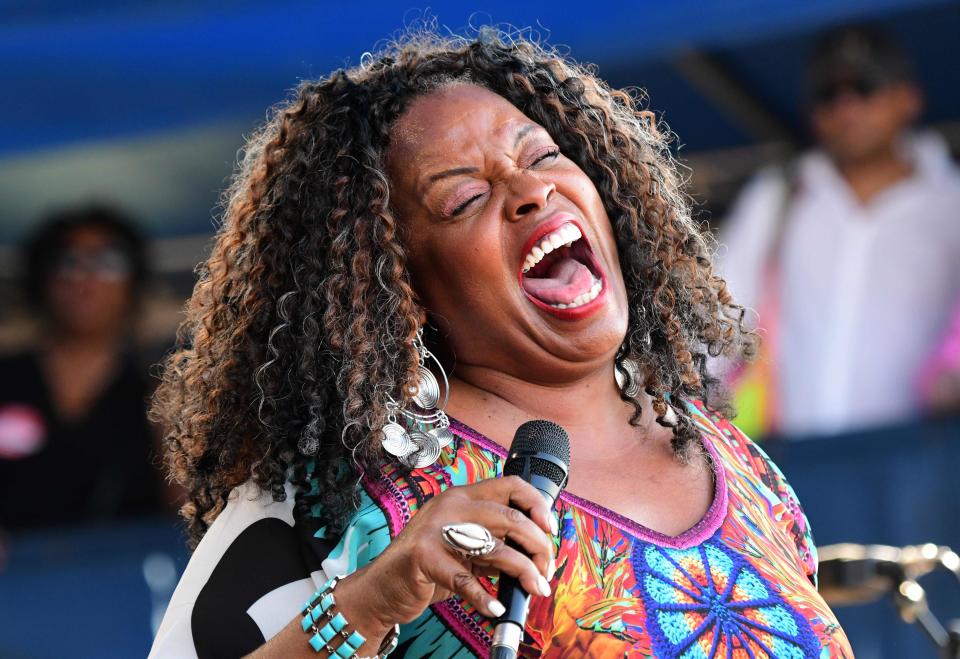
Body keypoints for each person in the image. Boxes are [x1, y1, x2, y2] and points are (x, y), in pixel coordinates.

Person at [150, 32, 852, 658]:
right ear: (401, 285)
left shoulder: (741, 469)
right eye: (463, 200)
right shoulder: (346, 499)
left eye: (543, 154)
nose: (530, 191)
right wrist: (372, 600)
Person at [718, 25, 960, 439]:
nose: (846, 107)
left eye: (865, 87)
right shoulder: (779, 195)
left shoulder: (951, 202)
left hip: (922, 455)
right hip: (794, 459)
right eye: (828, 95)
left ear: (908, 99)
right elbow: (717, 314)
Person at [0, 205, 165, 529]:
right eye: (67, 261)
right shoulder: (6, 378)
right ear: (42, 279)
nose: (86, 279)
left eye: (109, 261)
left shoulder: (158, 390)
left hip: (123, 571)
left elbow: (185, 511)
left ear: (134, 280)